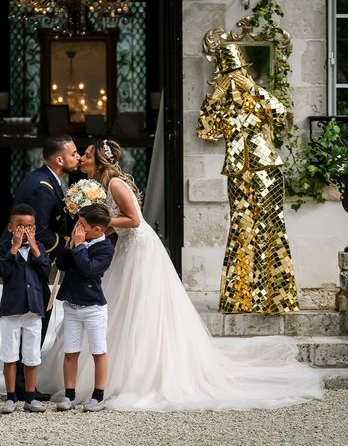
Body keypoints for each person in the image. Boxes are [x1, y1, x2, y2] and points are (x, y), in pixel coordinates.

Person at [38, 139, 324, 411]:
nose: (82, 159)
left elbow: (135, 221)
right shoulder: (97, 184)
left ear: (98, 160)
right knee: (117, 303)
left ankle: (135, 375)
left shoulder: (114, 183)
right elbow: (114, 227)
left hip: (140, 248)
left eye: (87, 155)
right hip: (123, 247)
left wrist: (100, 222)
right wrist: (92, 234)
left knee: (139, 305)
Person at [197, 43, 298, 314]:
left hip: (267, 170)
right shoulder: (224, 109)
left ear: (245, 72)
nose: (232, 80)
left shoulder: (260, 100)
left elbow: (282, 115)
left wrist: (253, 89)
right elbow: (205, 131)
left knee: (269, 226)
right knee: (241, 228)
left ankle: (276, 300)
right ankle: (239, 298)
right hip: (237, 173)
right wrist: (214, 97)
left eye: (237, 73)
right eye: (227, 75)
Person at [9, 135, 80, 400]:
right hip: (28, 263)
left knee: (38, 318)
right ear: (59, 159)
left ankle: (24, 384)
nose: (78, 156)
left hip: (36, 261)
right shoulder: (41, 185)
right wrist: (64, 245)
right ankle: (20, 385)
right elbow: (35, 231)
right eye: (73, 153)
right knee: (34, 318)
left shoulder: (49, 179)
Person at [54, 204, 115, 413]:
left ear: (97, 230)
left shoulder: (106, 248)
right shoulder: (78, 241)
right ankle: (69, 395)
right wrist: (71, 245)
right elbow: (61, 264)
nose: (78, 228)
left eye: (82, 225)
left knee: (99, 351)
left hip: (93, 308)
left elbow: (88, 269)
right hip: (71, 306)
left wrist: (79, 247)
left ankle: (98, 396)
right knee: (70, 352)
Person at [0, 204, 52, 414]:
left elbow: (46, 270)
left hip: (33, 310)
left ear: (34, 228)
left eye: (29, 227)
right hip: (11, 311)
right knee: (10, 355)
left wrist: (35, 247)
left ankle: (30, 397)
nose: (25, 231)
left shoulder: (40, 248)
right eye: (20, 226)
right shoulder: (4, 248)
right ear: (11, 227)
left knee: (32, 355)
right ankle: (11, 397)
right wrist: (15, 248)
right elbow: (3, 270)